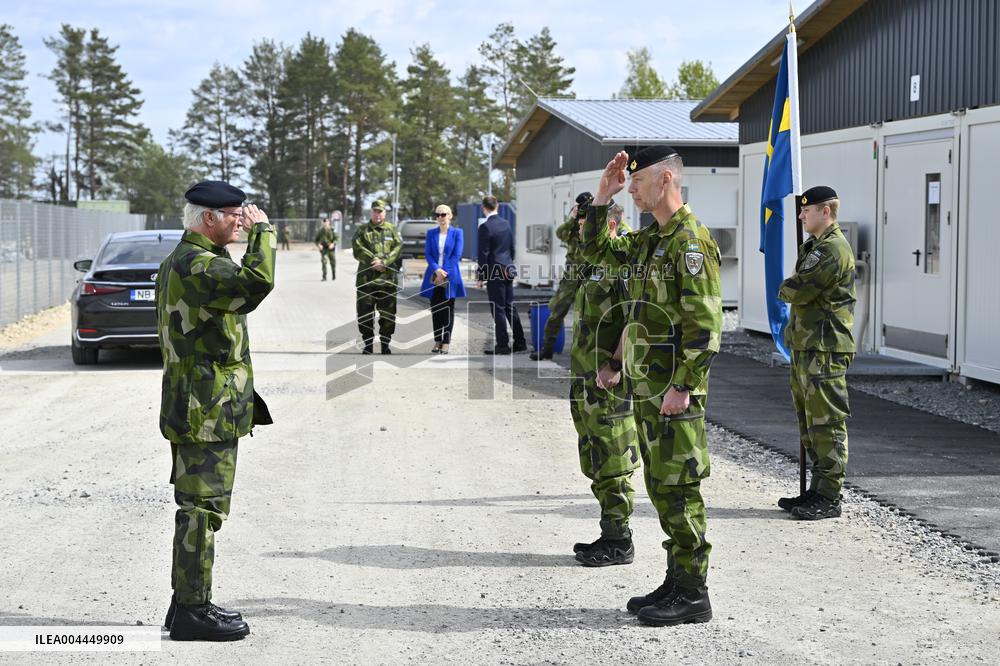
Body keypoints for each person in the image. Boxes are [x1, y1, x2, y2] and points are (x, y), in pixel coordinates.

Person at [582, 146, 722, 627]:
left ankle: (693, 592)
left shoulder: (689, 243)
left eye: (637, 182)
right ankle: (676, 580)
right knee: (662, 487)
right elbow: (596, 252)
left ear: (665, 180)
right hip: (649, 390)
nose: (632, 189)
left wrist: (683, 386)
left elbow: (705, 326)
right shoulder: (652, 241)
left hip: (672, 395)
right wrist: (604, 196)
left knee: (680, 487)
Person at [155, 180, 276, 641]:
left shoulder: (186, 260)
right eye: (233, 214)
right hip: (206, 406)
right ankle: (192, 610)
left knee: (197, 507)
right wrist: (265, 234)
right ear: (207, 218)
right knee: (202, 510)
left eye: (244, 215)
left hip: (200, 402)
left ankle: (183, 601)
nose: (241, 221)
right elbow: (256, 283)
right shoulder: (198, 264)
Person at [777, 185, 856, 520]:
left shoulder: (833, 249)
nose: (800, 215)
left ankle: (830, 495)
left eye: (806, 211)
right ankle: (816, 490)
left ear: (826, 211)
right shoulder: (814, 246)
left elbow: (799, 289)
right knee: (810, 422)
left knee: (827, 422)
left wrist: (788, 286)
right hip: (808, 346)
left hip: (825, 347)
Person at [570, 202, 639, 567]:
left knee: (613, 458)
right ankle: (609, 531)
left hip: (609, 379)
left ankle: (619, 539)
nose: (581, 233)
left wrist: (615, 362)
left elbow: (635, 318)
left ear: (611, 225)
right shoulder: (598, 259)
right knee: (594, 457)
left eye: (587, 226)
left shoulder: (625, 259)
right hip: (586, 377)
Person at [531, 192, 591, 361]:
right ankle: (547, 348)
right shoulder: (572, 226)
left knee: (587, 317)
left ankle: (586, 353)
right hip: (571, 277)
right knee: (556, 311)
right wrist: (573, 218)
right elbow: (559, 233)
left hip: (591, 277)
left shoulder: (598, 222)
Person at [476, 195, 527, 355]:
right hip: (507, 268)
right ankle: (520, 342)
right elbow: (511, 248)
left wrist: (481, 276)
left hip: (494, 271)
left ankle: (503, 345)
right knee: (509, 306)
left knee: (498, 308)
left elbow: (483, 254)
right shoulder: (506, 224)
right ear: (497, 206)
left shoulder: (485, 227)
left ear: (484, 208)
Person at [353, 200, 402, 354]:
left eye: (380, 211)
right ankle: (368, 344)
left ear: (385, 213)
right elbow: (357, 247)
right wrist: (373, 261)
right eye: (375, 211)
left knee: (388, 315)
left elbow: (397, 248)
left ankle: (385, 344)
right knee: (365, 315)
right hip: (366, 281)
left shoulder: (392, 229)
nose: (377, 214)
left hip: (387, 281)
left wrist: (384, 262)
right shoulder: (362, 230)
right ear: (371, 212)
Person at [420, 204, 466, 354]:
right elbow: (428, 254)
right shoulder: (431, 233)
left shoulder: (457, 233)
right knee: (435, 309)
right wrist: (436, 269)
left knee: (447, 309)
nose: (440, 217)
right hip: (433, 275)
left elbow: (456, 255)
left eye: (443, 214)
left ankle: (446, 342)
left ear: (450, 216)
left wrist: (444, 271)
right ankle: (437, 340)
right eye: (438, 214)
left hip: (450, 275)